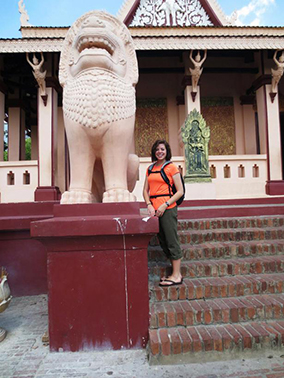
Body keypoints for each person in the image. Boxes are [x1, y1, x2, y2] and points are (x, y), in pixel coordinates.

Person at [143, 140, 184, 286]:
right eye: (157, 149)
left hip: (168, 207)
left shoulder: (171, 168)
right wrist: (149, 205)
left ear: (167, 151)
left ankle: (176, 274)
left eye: (162, 149)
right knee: (162, 239)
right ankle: (173, 272)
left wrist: (164, 205)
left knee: (171, 239)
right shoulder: (150, 168)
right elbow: (145, 191)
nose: (159, 151)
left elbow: (180, 191)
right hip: (154, 209)